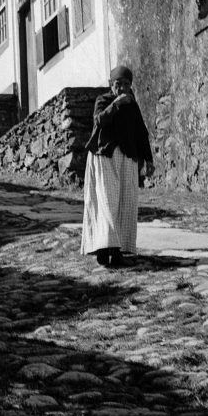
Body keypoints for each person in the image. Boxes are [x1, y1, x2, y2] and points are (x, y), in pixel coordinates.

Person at [81, 64, 155, 268]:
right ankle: (104, 249)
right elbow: (99, 121)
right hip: (105, 156)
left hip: (127, 157)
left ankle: (116, 251)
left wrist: (148, 159)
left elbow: (141, 133)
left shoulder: (133, 105)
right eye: (118, 84)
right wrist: (116, 104)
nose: (122, 88)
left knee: (125, 203)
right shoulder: (103, 100)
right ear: (110, 84)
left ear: (131, 86)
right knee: (108, 202)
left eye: (126, 84)